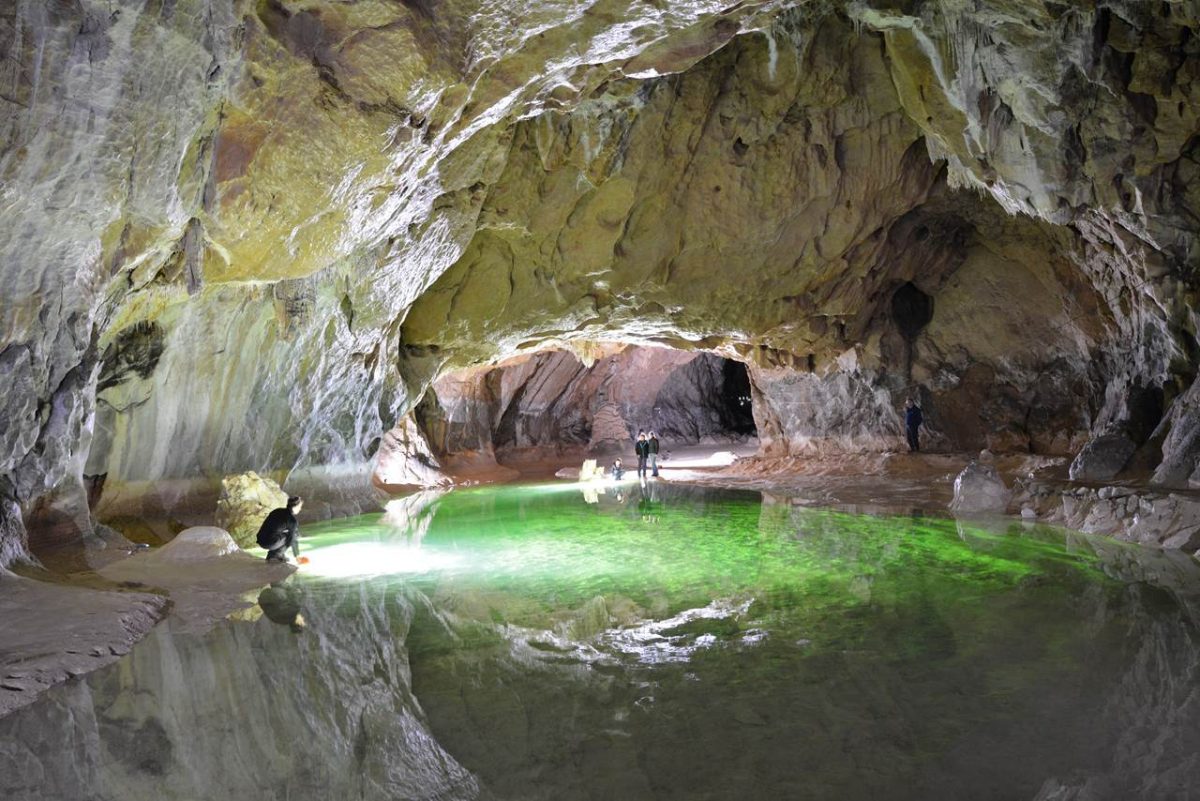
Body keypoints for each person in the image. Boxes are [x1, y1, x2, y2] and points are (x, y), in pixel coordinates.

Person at [257, 495, 304, 563]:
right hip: (269, 542)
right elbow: (292, 539)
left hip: (261, 539)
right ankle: (275, 555)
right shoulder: (292, 521)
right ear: (295, 507)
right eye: (300, 507)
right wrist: (297, 556)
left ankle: (273, 555)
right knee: (295, 534)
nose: (300, 509)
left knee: (285, 533)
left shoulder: (277, 511)